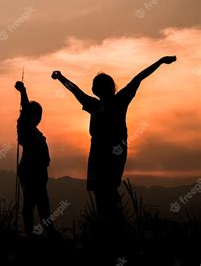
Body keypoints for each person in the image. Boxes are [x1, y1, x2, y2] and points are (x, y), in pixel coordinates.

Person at [51, 56, 177, 221]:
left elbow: (139, 77)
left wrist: (160, 62)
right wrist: (60, 77)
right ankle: (110, 223)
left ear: (97, 89)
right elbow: (138, 78)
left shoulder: (114, 101)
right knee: (103, 190)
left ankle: (113, 223)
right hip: (101, 152)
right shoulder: (101, 103)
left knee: (106, 189)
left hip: (111, 152)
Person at [14, 81, 55, 237]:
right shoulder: (26, 128)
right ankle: (33, 233)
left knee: (40, 204)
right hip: (30, 171)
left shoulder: (35, 132)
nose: (37, 118)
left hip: (36, 172)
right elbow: (24, 111)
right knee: (33, 203)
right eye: (35, 114)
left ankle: (43, 232)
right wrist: (23, 91)